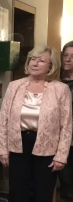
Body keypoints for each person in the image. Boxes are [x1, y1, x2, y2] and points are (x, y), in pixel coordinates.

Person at [0, 45, 72, 202]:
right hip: (18, 146)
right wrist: (2, 149)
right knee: (18, 193)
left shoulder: (61, 89)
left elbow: (66, 126)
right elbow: (3, 119)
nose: (35, 63)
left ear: (51, 66)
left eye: (41, 60)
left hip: (47, 149)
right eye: (32, 59)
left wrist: (61, 156)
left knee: (42, 194)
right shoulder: (14, 86)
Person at [59, 40, 73, 202]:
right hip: (60, 141)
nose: (68, 60)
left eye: (72, 57)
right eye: (66, 55)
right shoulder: (54, 81)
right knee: (65, 184)